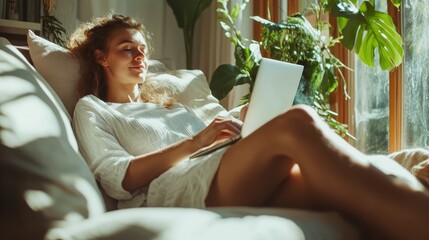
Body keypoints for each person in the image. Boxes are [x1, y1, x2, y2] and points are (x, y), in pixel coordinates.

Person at [69, 14, 429, 240]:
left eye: (143, 49)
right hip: (171, 187)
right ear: (101, 57)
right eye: (127, 48)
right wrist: (197, 141)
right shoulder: (94, 109)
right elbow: (118, 178)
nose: (140, 56)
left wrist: (246, 116)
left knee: (332, 184)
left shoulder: (169, 106)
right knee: (299, 121)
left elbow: (214, 140)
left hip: (221, 166)